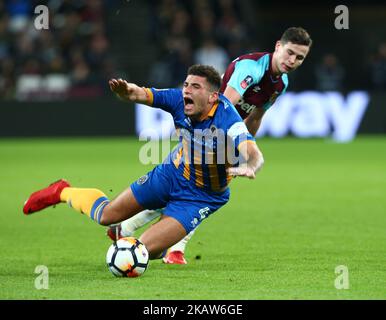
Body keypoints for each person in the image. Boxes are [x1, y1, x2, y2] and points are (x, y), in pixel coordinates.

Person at [108, 26, 312, 264]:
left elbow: (255, 117)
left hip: (227, 142)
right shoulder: (251, 68)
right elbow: (225, 104)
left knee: (198, 191)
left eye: (300, 57)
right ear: (278, 46)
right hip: (209, 133)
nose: (293, 60)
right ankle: (166, 244)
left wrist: (241, 153)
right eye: (289, 53)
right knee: (199, 191)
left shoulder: (281, 83)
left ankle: (127, 230)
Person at [23, 64, 264, 263]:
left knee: (145, 251)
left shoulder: (227, 118)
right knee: (107, 215)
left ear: (213, 96)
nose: (186, 91)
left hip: (201, 197)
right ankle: (62, 191)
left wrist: (251, 165)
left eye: (195, 87)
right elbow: (141, 93)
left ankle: (154, 240)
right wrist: (127, 92)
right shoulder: (178, 99)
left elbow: (252, 150)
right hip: (171, 174)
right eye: (186, 84)